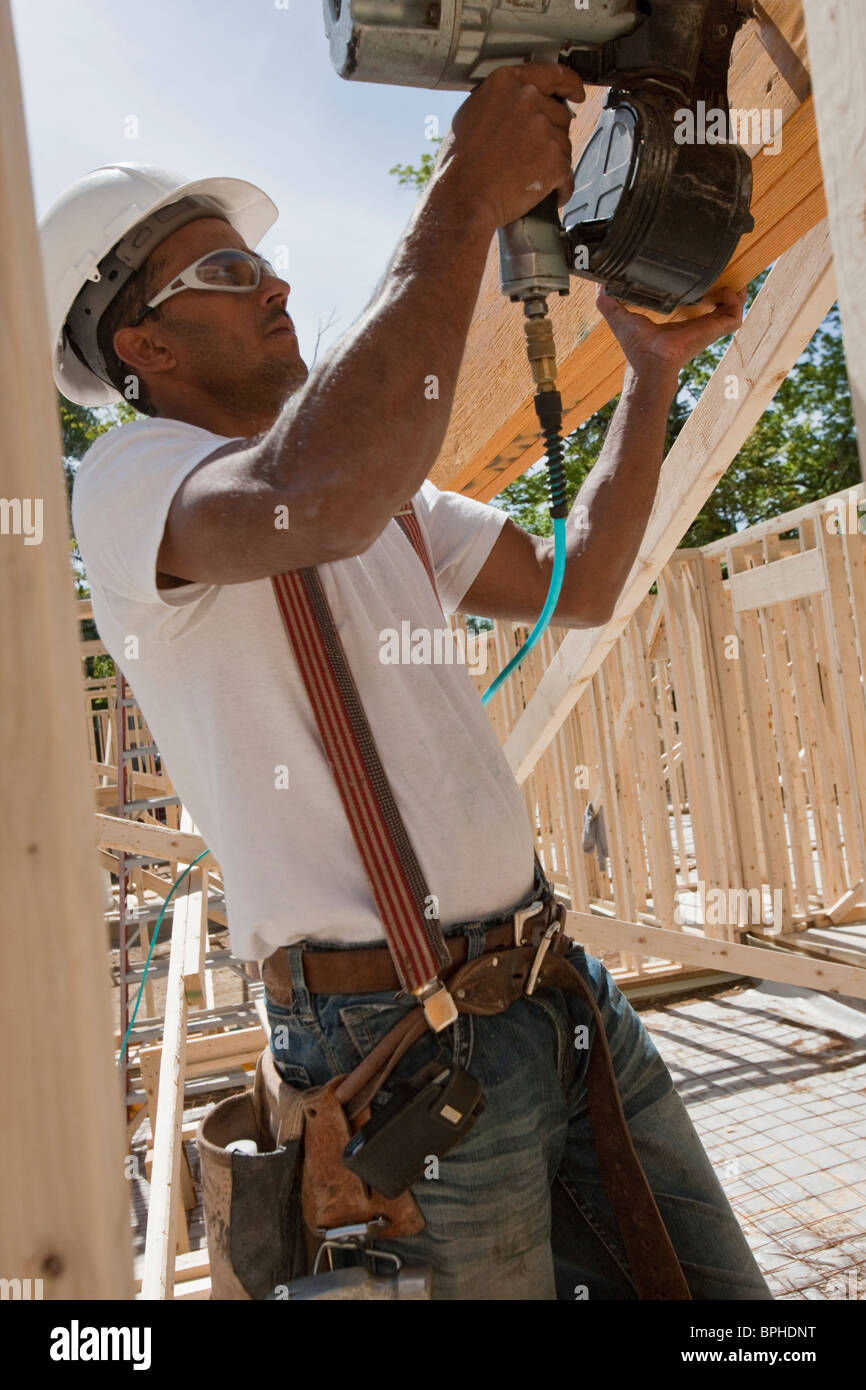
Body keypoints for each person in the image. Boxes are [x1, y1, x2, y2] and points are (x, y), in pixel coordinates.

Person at [44, 60, 767, 1299]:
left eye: (262, 263)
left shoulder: (383, 498)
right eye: (224, 272)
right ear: (141, 343)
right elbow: (305, 495)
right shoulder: (128, 482)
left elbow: (578, 579)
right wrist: (464, 190)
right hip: (389, 1046)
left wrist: (645, 381)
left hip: (548, 986)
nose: (273, 281)